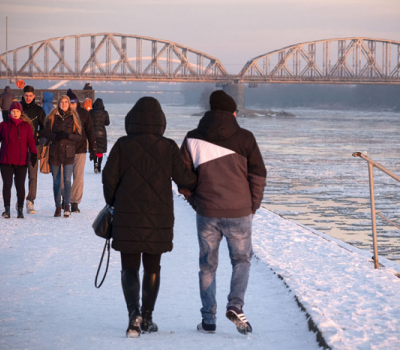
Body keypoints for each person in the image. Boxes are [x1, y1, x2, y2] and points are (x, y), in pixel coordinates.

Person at [102, 97, 197, 338]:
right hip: (159, 217)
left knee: (129, 267)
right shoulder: (168, 146)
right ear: (161, 121)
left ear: (131, 120)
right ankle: (147, 317)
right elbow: (184, 180)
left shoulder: (122, 145)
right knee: (153, 266)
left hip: (127, 215)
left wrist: (113, 202)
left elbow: (108, 178)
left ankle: (133, 314)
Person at [179, 90, 267, 335]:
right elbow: (259, 174)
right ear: (233, 113)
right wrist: (252, 206)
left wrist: (194, 201)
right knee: (241, 261)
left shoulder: (192, 138)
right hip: (239, 212)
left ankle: (208, 320)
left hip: (207, 212)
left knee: (207, 266)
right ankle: (235, 305)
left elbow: (181, 175)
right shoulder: (245, 138)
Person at [0, 102, 38, 219]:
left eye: (17, 111)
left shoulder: (26, 126)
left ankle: (20, 210)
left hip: (22, 161)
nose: (15, 113)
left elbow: (31, 141)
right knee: (7, 184)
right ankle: (7, 210)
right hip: (6, 160)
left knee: (20, 186)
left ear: (21, 113)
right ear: (10, 112)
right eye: (13, 111)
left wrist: (34, 154)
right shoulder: (3, 125)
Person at [45, 95, 82, 217]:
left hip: (68, 153)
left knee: (67, 180)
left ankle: (67, 205)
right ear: (59, 103)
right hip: (55, 152)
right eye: (62, 102)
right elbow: (46, 133)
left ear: (69, 104)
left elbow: (79, 136)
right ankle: (58, 206)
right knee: (56, 182)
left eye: (66, 102)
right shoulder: (52, 116)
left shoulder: (74, 117)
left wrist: (67, 135)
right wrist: (55, 136)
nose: (64, 104)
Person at [66, 89, 96, 213]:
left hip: (80, 149)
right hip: (65, 150)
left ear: (77, 102)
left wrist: (93, 148)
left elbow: (90, 131)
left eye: (73, 103)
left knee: (78, 177)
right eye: (69, 103)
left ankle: (74, 202)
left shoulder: (84, 114)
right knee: (65, 178)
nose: (72, 105)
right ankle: (65, 200)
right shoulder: (62, 114)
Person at [20, 85, 46, 214]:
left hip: (33, 146)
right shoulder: (18, 108)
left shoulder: (39, 110)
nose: (28, 98)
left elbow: (45, 127)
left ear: (34, 96)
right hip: (19, 146)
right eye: (26, 96)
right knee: (19, 175)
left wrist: (38, 134)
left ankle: (30, 200)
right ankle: (20, 200)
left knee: (33, 174)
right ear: (23, 95)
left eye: (30, 96)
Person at [89, 98, 110, 173]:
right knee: (100, 150)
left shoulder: (91, 112)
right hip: (102, 133)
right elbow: (107, 123)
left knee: (94, 149)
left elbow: (88, 122)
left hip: (92, 133)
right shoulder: (105, 112)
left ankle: (95, 164)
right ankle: (99, 166)